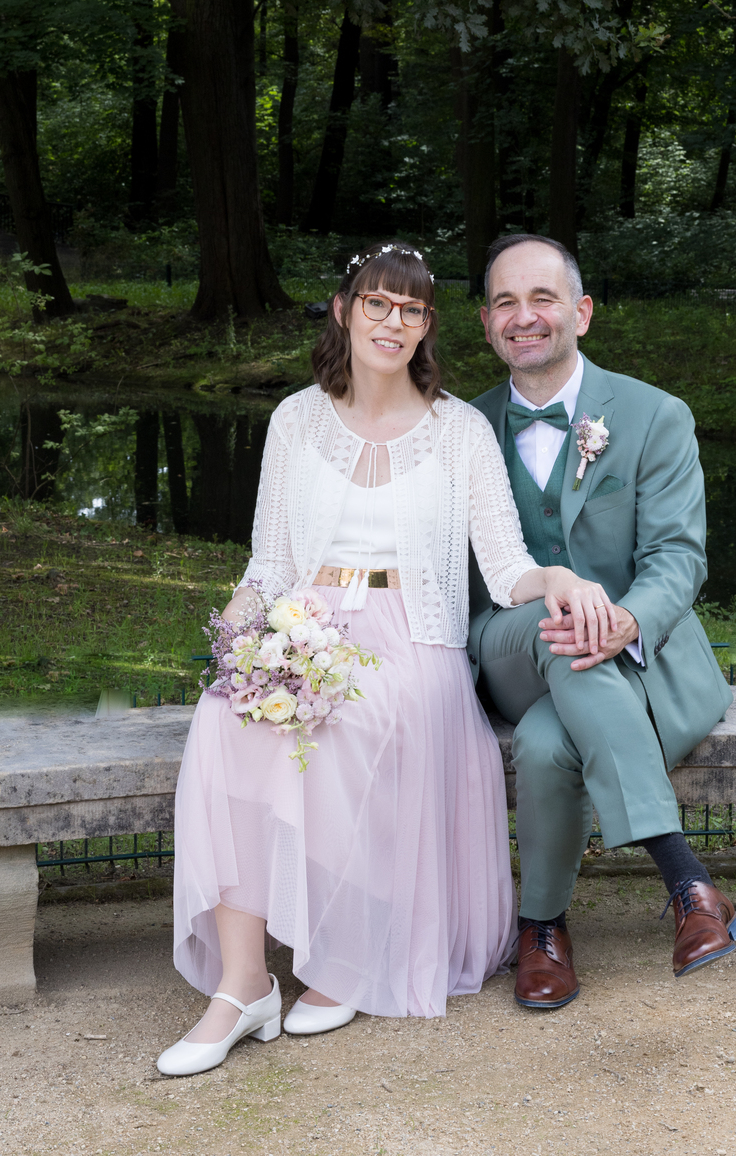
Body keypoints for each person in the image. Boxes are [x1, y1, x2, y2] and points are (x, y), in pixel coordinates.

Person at [157, 241, 617, 1077]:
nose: (393, 322)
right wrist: (234, 648)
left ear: (428, 326)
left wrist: (555, 577)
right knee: (226, 723)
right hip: (307, 619)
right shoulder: (295, 420)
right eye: (377, 303)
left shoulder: (461, 431)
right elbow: (267, 562)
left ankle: (344, 955)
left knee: (358, 721)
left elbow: (504, 563)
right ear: (344, 311)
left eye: (411, 310)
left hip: (416, 637)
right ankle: (244, 984)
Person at [467, 234, 736, 1011]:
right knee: (559, 628)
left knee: (553, 740)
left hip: (642, 664)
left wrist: (625, 620)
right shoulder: (458, 429)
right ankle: (686, 879)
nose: (526, 317)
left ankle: (542, 931)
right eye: (507, 303)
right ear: (487, 322)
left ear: (580, 313)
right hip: (511, 642)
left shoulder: (655, 416)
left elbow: (679, 559)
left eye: (543, 298)